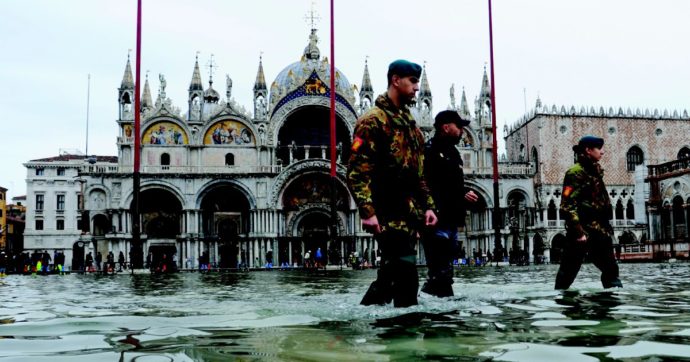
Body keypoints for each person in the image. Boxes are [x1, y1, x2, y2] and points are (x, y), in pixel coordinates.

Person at [347, 59, 437, 307]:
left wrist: (428, 206)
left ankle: (362, 321)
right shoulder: (372, 121)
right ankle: (403, 335)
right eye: (413, 81)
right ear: (396, 80)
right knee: (406, 276)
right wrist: (367, 212)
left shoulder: (412, 127)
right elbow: (356, 171)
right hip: (386, 212)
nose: (417, 88)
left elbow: (418, 174)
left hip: (409, 214)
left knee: (391, 276)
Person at [421, 110, 479, 297]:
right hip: (437, 219)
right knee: (441, 272)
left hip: (451, 220)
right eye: (458, 126)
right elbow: (428, 184)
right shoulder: (429, 150)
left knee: (444, 272)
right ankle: (442, 314)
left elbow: (451, 184)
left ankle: (432, 306)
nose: (462, 130)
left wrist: (464, 194)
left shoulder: (453, 152)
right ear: (446, 127)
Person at [555, 135, 623, 290]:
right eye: (599, 148)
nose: (602, 152)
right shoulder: (574, 173)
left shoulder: (595, 171)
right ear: (588, 150)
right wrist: (579, 233)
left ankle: (609, 305)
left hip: (599, 230)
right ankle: (564, 304)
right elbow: (567, 205)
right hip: (582, 232)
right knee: (567, 274)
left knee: (611, 269)